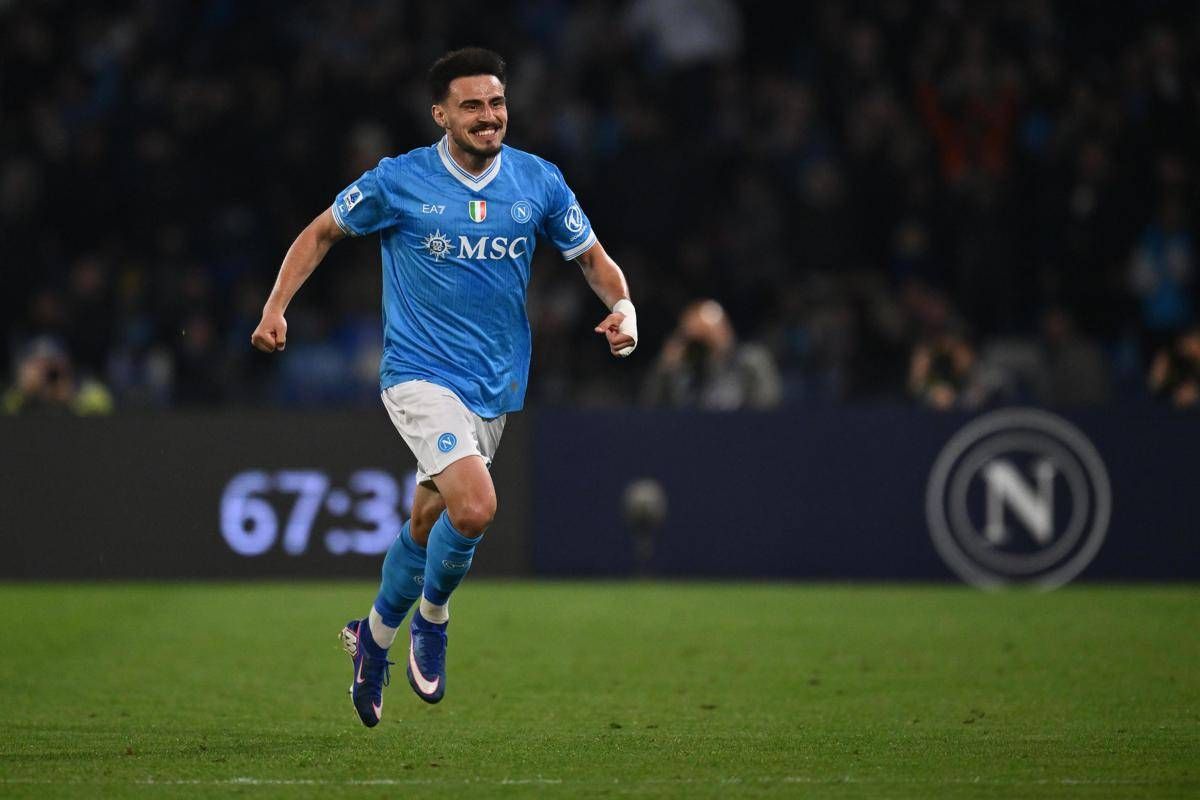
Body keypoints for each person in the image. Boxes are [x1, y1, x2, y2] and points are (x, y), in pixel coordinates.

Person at [250, 48, 638, 726]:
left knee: (429, 522)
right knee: (476, 506)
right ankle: (432, 619)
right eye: (472, 106)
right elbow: (320, 233)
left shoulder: (539, 181)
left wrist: (625, 307)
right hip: (418, 375)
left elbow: (594, 261)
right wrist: (276, 308)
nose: (489, 116)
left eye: (497, 102)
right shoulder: (399, 180)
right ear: (440, 114)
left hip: (495, 384)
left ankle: (372, 639)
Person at [641, 299, 781, 410]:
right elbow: (649, 411)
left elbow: (768, 407)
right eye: (695, 341)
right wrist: (664, 367)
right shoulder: (680, 372)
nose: (702, 348)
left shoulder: (750, 363)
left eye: (708, 336)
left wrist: (719, 356)